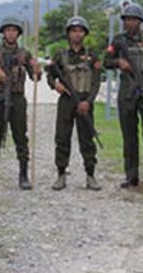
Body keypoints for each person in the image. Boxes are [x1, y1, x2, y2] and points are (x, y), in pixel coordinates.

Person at [0, 17, 42, 190]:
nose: (11, 33)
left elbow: (36, 77)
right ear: (3, 32)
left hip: (17, 98)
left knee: (20, 137)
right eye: (8, 30)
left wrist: (36, 69)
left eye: (14, 30)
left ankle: (23, 174)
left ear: (18, 33)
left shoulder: (24, 53)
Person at [104, 2, 143, 187]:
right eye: (126, 20)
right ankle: (131, 175)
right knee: (129, 135)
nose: (129, 23)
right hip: (127, 92)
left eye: (133, 20)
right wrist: (118, 62)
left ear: (140, 21)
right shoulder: (118, 40)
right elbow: (106, 61)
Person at [47, 16, 102, 191]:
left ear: (84, 34)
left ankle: (90, 175)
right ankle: (61, 174)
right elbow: (50, 74)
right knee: (62, 138)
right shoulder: (61, 55)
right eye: (73, 31)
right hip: (66, 101)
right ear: (68, 34)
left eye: (80, 31)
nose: (77, 34)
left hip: (85, 100)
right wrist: (55, 84)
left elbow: (96, 81)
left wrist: (89, 101)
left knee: (87, 139)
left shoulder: (92, 55)